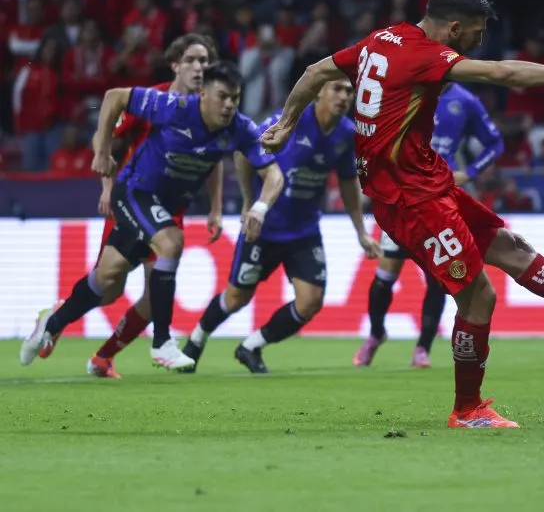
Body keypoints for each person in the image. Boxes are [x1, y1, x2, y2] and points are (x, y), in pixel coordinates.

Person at [261, 0, 544, 429]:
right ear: (453, 28)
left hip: (427, 182)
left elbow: (315, 70)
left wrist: (286, 123)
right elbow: (502, 74)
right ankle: (467, 410)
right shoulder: (427, 56)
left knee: (512, 248)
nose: (479, 42)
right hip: (408, 198)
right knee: (478, 296)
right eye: (476, 33)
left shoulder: (382, 39)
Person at [20, 62, 285, 371]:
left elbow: (275, 175)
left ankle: (51, 324)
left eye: (234, 99)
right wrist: (102, 151)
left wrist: (259, 207)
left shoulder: (240, 128)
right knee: (172, 242)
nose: (228, 105)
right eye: (222, 96)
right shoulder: (173, 107)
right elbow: (113, 96)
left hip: (163, 207)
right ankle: (162, 342)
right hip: (134, 192)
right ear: (203, 94)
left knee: (106, 278)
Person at [180, 78, 382, 373]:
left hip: (304, 230)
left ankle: (251, 346)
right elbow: (243, 151)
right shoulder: (288, 122)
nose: (344, 96)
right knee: (237, 297)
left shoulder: (346, 133)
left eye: (349, 91)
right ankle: (195, 341)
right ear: (319, 92)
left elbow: (349, 184)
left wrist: (361, 232)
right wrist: (250, 198)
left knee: (311, 301)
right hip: (265, 227)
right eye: (337, 89)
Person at [85, 34, 225, 379]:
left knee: (153, 297)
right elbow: (107, 134)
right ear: (175, 64)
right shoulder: (152, 100)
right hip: (135, 200)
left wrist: (216, 207)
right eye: (191, 60)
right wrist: (106, 182)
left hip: (170, 209)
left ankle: (103, 357)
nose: (199, 67)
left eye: (204, 62)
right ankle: (57, 318)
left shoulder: (209, 106)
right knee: (109, 286)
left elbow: (215, 160)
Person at [354, 81, 505, 369]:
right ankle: (375, 334)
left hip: (440, 199)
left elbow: (495, 143)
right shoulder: (405, 89)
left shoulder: (465, 100)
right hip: (403, 197)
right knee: (386, 274)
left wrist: (469, 172)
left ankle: (422, 347)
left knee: (440, 276)